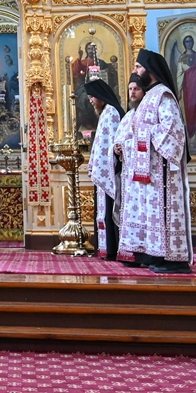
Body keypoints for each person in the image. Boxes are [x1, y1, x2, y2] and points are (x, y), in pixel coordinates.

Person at [115, 51, 193, 273]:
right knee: (148, 214)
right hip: (148, 171)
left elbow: (173, 131)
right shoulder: (149, 96)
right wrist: (125, 145)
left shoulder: (164, 96)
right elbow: (137, 131)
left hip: (162, 172)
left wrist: (144, 133)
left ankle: (172, 259)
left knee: (162, 212)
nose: (135, 71)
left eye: (139, 67)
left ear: (150, 70)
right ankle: (151, 254)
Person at [83, 78, 125, 260]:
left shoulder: (112, 112)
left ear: (100, 96)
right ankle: (106, 248)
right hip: (105, 170)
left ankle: (112, 248)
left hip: (111, 171)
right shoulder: (106, 112)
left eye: (92, 97)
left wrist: (104, 166)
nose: (91, 101)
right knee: (105, 209)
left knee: (110, 208)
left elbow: (112, 143)